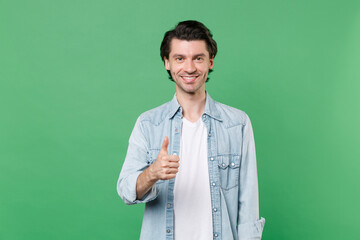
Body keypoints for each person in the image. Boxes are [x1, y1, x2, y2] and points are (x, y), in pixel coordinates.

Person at [117, 20, 265, 240]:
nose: (189, 68)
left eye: (198, 58)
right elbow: (126, 192)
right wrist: (152, 173)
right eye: (179, 58)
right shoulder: (148, 124)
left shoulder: (237, 123)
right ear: (167, 62)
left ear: (210, 62)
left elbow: (248, 205)